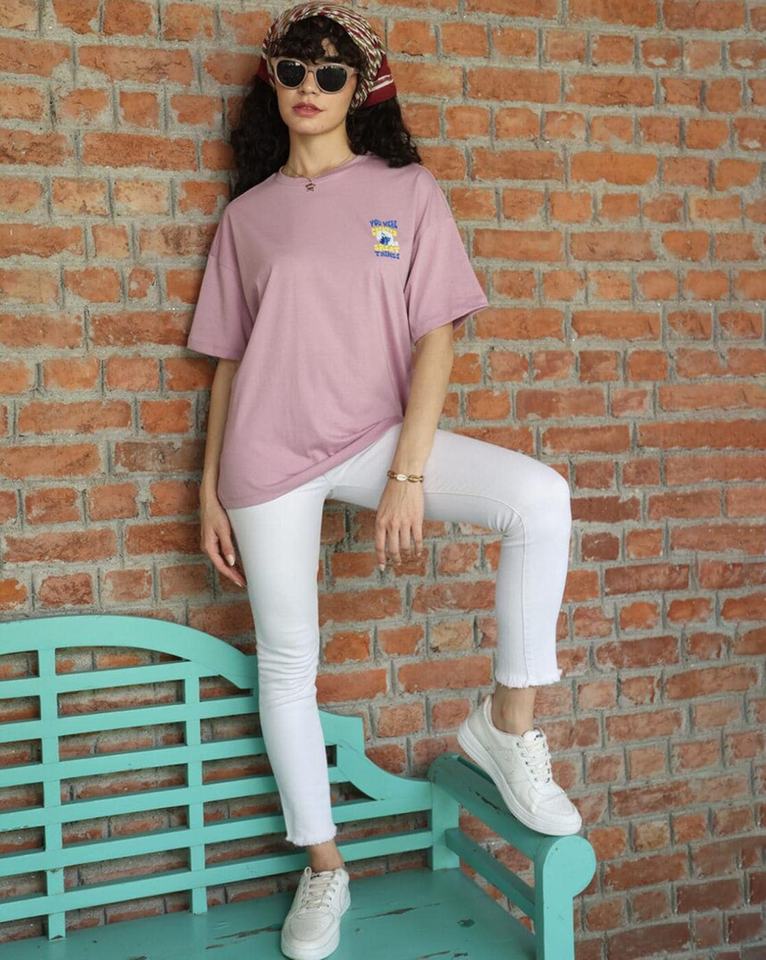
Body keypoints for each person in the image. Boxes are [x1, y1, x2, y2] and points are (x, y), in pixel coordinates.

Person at [186, 3, 581, 958]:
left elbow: (436, 335)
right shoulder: (247, 216)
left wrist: (408, 471)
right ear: (273, 81)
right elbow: (230, 361)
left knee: (538, 499)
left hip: (375, 439)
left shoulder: (406, 192)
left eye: (330, 74)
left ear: (360, 91)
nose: (309, 88)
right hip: (265, 457)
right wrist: (207, 489)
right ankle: (325, 868)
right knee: (288, 661)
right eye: (293, 70)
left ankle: (506, 725)